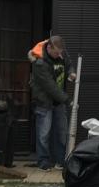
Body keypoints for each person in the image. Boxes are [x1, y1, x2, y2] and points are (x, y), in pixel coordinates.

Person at [28, 35, 76, 170]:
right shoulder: (39, 62)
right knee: (44, 133)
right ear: (49, 47)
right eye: (56, 53)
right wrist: (67, 100)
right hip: (44, 101)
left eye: (60, 53)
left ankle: (60, 161)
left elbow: (68, 64)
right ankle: (43, 162)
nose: (58, 56)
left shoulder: (61, 53)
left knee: (62, 132)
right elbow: (50, 87)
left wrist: (71, 72)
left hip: (58, 102)